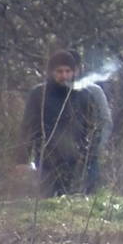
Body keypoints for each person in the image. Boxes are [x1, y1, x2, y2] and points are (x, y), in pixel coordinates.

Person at [20, 50, 99, 198]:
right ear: (51, 72)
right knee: (46, 203)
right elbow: (27, 127)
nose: (64, 76)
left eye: (68, 71)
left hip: (76, 161)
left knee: (75, 204)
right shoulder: (38, 94)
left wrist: (90, 154)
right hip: (46, 159)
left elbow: (93, 127)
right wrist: (22, 159)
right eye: (59, 71)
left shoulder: (84, 95)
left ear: (74, 71)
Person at [70, 50, 113, 194]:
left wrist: (98, 146)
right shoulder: (48, 92)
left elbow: (105, 120)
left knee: (89, 194)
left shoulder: (93, 91)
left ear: (78, 68)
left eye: (71, 68)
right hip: (56, 156)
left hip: (89, 152)